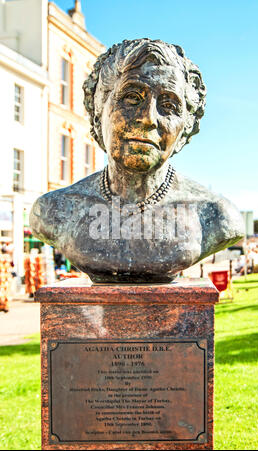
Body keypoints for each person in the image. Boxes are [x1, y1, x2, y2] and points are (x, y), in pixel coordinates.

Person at [30, 39, 244, 283]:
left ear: (185, 128)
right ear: (98, 108)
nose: (148, 118)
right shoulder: (54, 210)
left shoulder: (216, 215)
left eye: (169, 105)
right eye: (132, 97)